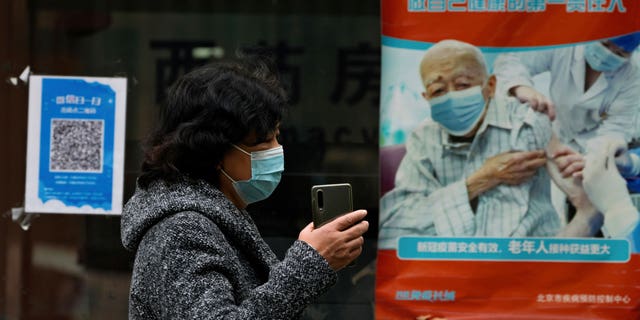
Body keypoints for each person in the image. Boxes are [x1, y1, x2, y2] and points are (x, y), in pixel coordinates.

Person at [120, 57, 369, 319]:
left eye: (277, 136)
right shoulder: (181, 230)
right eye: (263, 143)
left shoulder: (218, 214)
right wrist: (308, 265)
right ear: (213, 151)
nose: (276, 150)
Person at [378, 40, 601, 249]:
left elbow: (590, 207)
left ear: (491, 86)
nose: (452, 97)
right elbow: (395, 226)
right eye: (438, 90)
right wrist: (481, 179)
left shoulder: (526, 123)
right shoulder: (425, 138)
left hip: (526, 270)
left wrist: (552, 259)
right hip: (450, 273)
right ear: (426, 97)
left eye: (463, 85)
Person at [493, 32, 640, 153]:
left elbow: (617, 127)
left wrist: (600, 156)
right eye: (605, 44)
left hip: (599, 138)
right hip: (559, 131)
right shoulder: (564, 43)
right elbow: (511, 60)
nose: (608, 55)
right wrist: (521, 87)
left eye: (620, 53)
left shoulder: (633, 73)